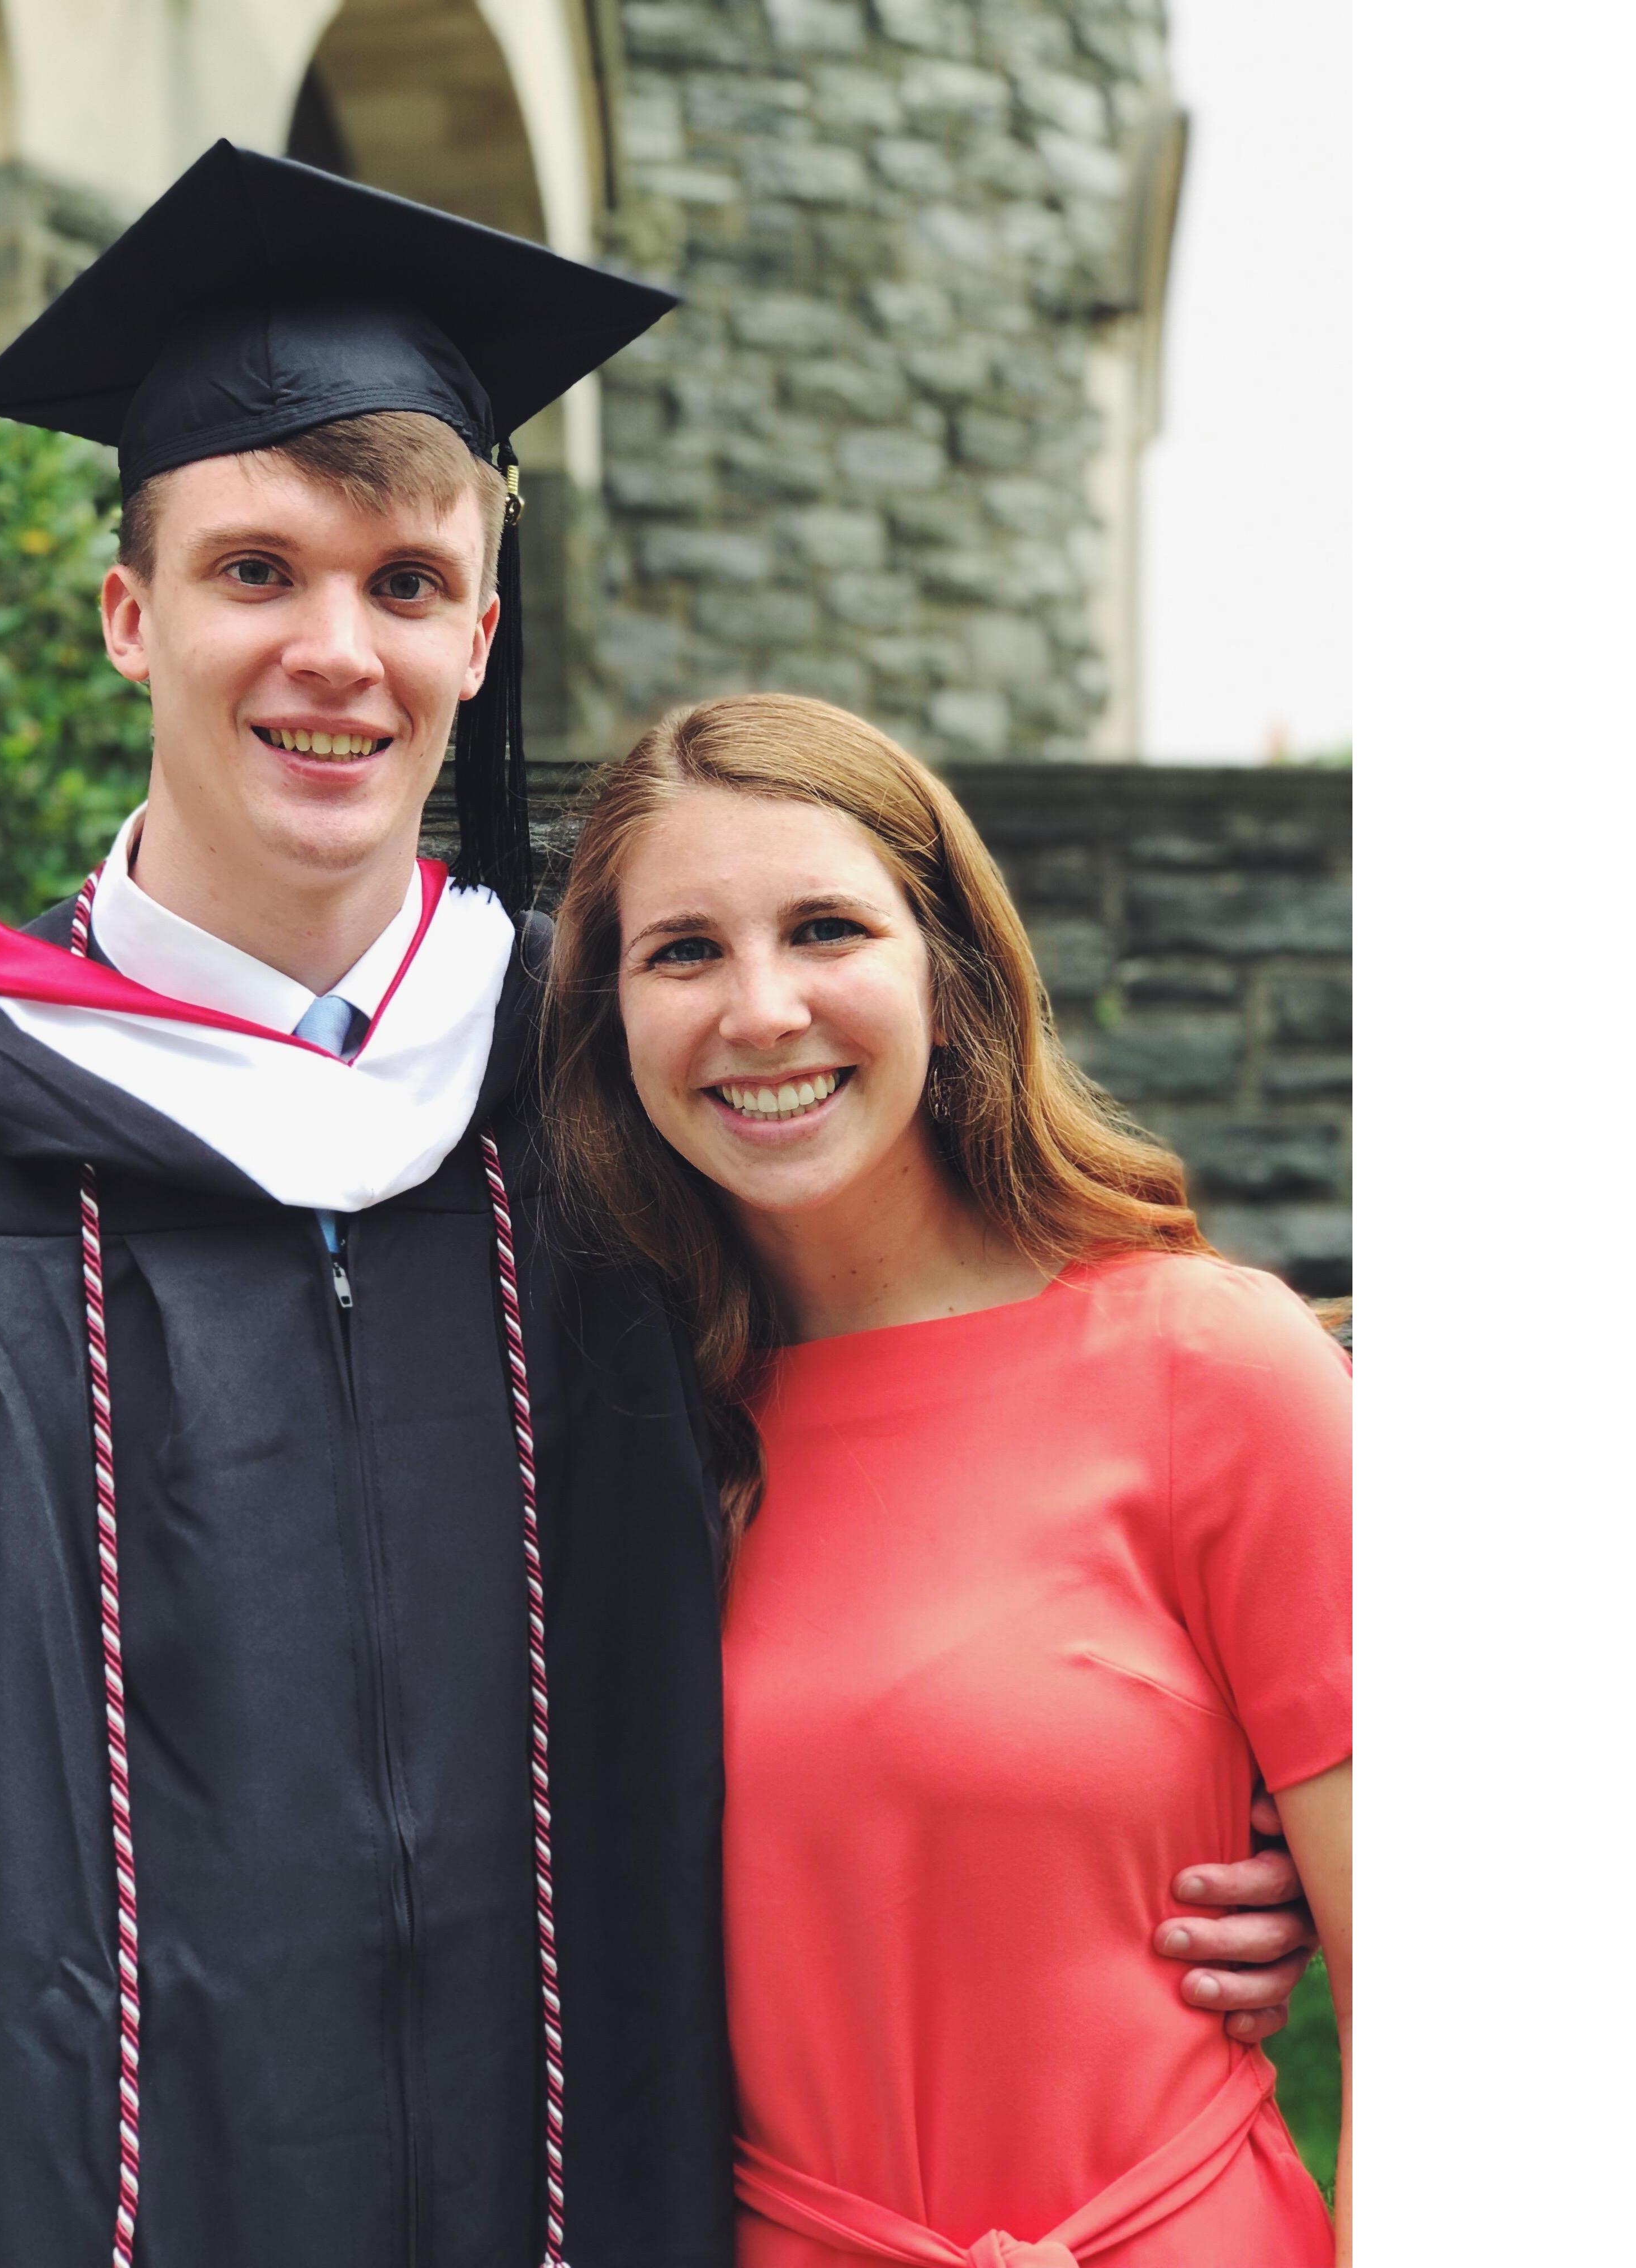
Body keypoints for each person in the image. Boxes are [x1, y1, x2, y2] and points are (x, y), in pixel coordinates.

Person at [0, 146, 1317, 2268]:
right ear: (130, 616)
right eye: (256, 570)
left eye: (406, 582)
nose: (334, 650)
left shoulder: (611, 1104)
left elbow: (948, 1458)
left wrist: (1188, 1793)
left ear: (479, 632)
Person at [543, 694, 1352, 2268]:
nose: (762, 1010)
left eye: (827, 929)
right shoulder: (611, 1434)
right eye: (684, 952)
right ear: (610, 1019)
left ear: (951, 967)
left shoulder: (1211, 1367)